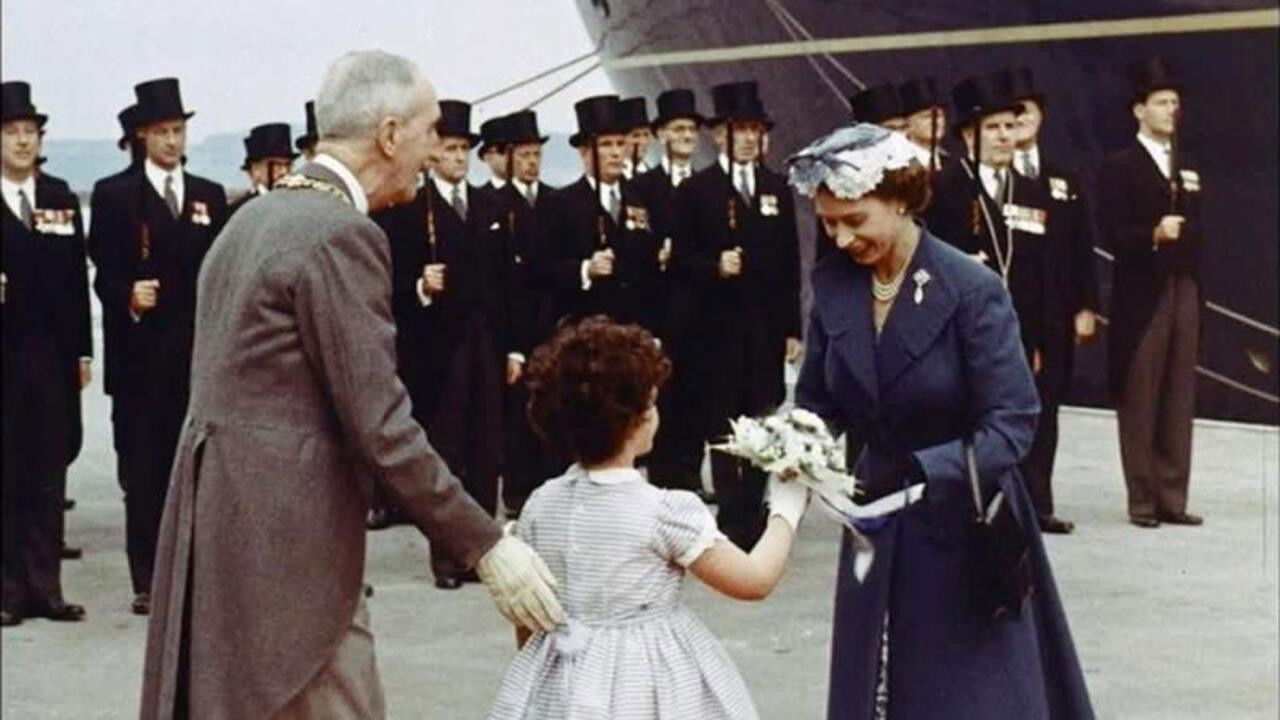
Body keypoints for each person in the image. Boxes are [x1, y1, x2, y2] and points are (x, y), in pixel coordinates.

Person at [138, 50, 564, 719]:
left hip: (220, 532)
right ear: (390, 135)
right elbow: (381, 424)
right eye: (428, 133)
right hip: (291, 551)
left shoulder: (248, 219)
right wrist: (485, 544)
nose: (432, 151)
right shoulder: (341, 234)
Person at [788, 123, 1093, 719]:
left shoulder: (971, 287)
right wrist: (791, 444)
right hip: (872, 519)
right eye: (829, 223)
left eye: (855, 220)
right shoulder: (834, 288)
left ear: (900, 201)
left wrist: (928, 473)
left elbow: (1014, 420)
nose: (842, 238)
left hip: (963, 518)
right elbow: (818, 402)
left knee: (964, 693)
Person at [488, 316, 809, 720]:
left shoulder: (540, 505)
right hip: (647, 683)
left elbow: (529, 613)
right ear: (636, 420)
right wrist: (787, 509)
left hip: (561, 678)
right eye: (652, 403)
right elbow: (754, 580)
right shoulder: (665, 511)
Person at [89, 77, 229, 616]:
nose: (172, 142)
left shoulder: (207, 196)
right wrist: (127, 294)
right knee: (145, 472)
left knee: (198, 471)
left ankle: (196, 573)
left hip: (196, 357)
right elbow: (101, 270)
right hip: (141, 360)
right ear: (142, 136)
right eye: (162, 132)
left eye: (179, 130)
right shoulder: (114, 195)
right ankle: (148, 578)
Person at [372, 99, 504, 585]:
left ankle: (480, 548)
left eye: (464, 149)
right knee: (445, 449)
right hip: (437, 347)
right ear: (432, 155)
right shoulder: (411, 211)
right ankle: (447, 556)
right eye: (449, 149)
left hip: (483, 341)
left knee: (486, 446)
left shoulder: (491, 206)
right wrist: (421, 287)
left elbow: (504, 285)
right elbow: (391, 283)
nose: (458, 158)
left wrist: (511, 348)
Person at [674, 80, 802, 549]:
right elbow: (679, 261)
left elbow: (791, 262)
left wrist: (793, 326)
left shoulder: (776, 188)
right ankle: (733, 515)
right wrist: (713, 267)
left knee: (763, 418)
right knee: (725, 425)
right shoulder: (696, 191)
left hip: (765, 331)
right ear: (718, 134)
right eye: (739, 129)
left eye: (754, 129)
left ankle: (756, 504)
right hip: (717, 330)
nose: (748, 138)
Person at [1097, 57, 1205, 529]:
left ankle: (1172, 496)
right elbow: (1113, 233)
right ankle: (1142, 499)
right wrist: (1153, 235)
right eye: (1161, 103)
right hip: (1142, 292)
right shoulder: (1119, 166)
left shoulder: (1188, 166)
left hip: (1184, 286)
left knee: (1179, 394)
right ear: (1138, 110)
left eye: (1175, 103)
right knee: (1141, 393)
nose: (1170, 111)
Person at [1, 80, 91, 626]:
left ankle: (46, 589)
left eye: (29, 132)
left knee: (48, 474)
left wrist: (82, 352)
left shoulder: (58, 196)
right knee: (7, 474)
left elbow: (77, 281)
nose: (21, 142)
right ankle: (10, 591)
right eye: (11, 133)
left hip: (51, 360)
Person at [925, 72, 1055, 414]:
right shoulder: (942, 187)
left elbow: (1043, 271)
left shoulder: (1032, 191)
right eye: (993, 128)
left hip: (1018, 330)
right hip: (959, 332)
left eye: (1010, 127)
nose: (1004, 137)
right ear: (970, 135)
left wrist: (1039, 339)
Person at [1007, 67, 1101, 534]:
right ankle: (1010, 502)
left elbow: (1083, 245)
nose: (1021, 118)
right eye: (1013, 111)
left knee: (1048, 408)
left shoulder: (1064, 178)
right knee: (1010, 407)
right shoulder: (997, 182)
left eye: (1029, 109)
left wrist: (1087, 305)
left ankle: (1040, 503)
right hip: (1016, 314)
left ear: (1041, 117)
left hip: (1057, 313)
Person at [478, 109, 561, 517]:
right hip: (513, 327)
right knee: (516, 416)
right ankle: (517, 493)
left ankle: (549, 489)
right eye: (524, 155)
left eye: (536, 155)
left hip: (550, 323)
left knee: (551, 411)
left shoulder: (553, 201)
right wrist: (511, 344)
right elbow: (495, 283)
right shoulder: (494, 205)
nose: (532, 162)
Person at [628, 87, 706, 495]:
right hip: (660, 303)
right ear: (661, 135)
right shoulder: (644, 187)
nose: (687, 135)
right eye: (678, 128)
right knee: (664, 391)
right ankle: (663, 472)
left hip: (700, 304)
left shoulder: (709, 184)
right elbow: (640, 245)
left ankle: (691, 471)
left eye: (691, 129)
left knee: (697, 389)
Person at [534, 94, 663, 332]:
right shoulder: (559, 203)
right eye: (606, 145)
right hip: (585, 330)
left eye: (619, 143)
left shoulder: (643, 196)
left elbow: (654, 272)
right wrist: (585, 269)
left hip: (636, 330)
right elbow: (542, 269)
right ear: (584, 152)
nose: (616, 153)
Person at [228, 122, 297, 217]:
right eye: (276, 166)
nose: (284, 172)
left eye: (288, 165)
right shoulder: (240, 211)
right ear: (256, 170)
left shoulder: (299, 204)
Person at [897, 76, 950, 174]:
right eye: (927, 117)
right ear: (907, 124)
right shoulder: (896, 166)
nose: (936, 122)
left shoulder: (959, 167)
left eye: (939, 116)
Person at [619, 95, 654, 180]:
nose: (643, 141)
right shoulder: (611, 179)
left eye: (646, 135)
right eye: (636, 136)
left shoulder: (656, 178)